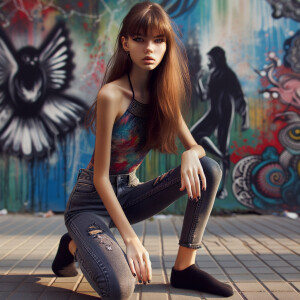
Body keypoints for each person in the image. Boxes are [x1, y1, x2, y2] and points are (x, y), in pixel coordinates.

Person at [51, 2, 234, 299]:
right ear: (125, 43)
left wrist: (190, 153)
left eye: (158, 40)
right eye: (139, 39)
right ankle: (72, 244)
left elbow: (196, 146)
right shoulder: (112, 95)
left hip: (130, 195)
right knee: (120, 289)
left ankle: (185, 268)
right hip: (91, 202)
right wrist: (131, 239)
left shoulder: (163, 96)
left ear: (166, 46)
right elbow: (100, 178)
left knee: (209, 168)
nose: (149, 48)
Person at [191, 46, 249, 199]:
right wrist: (198, 81)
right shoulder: (213, 74)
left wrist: (245, 118)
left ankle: (223, 188)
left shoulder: (228, 74)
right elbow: (204, 97)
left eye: (210, 60)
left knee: (223, 144)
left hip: (225, 112)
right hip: (214, 112)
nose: (208, 63)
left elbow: (239, 96)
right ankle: (221, 156)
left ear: (216, 59)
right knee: (193, 136)